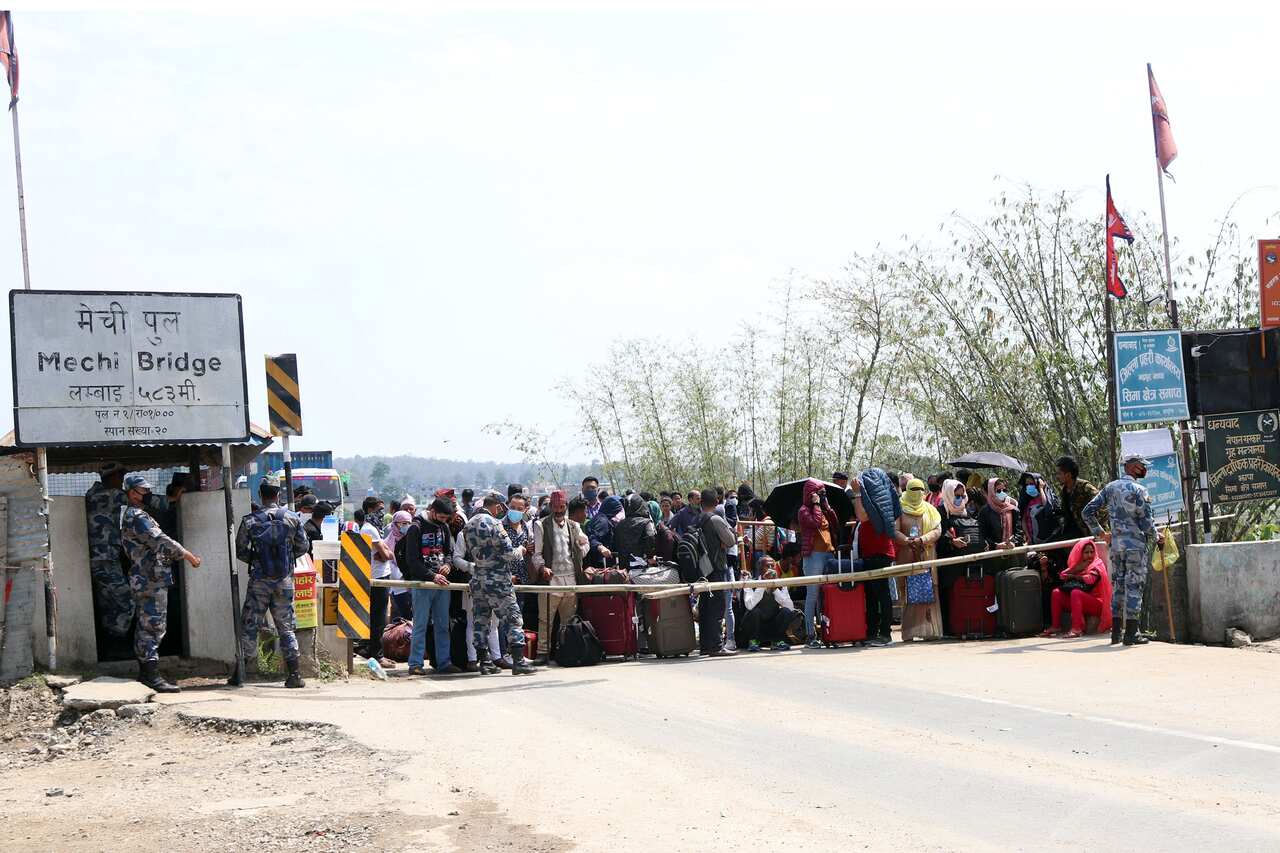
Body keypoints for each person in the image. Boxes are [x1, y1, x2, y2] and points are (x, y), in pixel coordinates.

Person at [119, 474, 202, 692]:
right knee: (152, 625)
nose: (147, 494)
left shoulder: (136, 514)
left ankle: (147, 672)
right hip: (149, 578)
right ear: (132, 493)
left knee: (148, 624)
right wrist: (188, 556)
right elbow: (161, 541)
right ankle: (151, 675)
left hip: (148, 577)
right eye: (143, 491)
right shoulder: (137, 516)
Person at [233, 476, 310, 688]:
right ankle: (294, 675)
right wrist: (286, 560)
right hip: (284, 580)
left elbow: (240, 550)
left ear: (260, 494)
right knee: (286, 627)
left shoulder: (250, 520)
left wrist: (258, 561)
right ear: (278, 494)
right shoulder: (292, 518)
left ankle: (240, 674)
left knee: (250, 625)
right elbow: (303, 546)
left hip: (259, 581)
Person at [1082, 454, 1163, 646]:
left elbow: (1087, 512)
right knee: (1134, 586)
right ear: (1133, 467)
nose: (1144, 469)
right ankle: (1132, 633)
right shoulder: (1139, 490)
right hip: (1135, 547)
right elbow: (1146, 523)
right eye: (1142, 466)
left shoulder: (1110, 488)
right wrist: (1157, 536)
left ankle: (1116, 632)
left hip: (1116, 547)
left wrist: (1101, 534)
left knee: (1118, 586)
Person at [464, 492, 535, 675]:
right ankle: (518, 661)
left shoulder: (469, 524)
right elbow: (509, 553)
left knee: (481, 620)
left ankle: (485, 662)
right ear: (497, 506)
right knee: (513, 618)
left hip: (478, 579)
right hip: (498, 580)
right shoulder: (495, 524)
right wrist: (521, 549)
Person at [399, 499, 460, 675]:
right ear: (432, 511)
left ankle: (444, 663)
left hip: (442, 585)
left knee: (442, 625)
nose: (443, 521)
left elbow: (449, 552)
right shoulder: (416, 528)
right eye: (441, 517)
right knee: (420, 625)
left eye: (446, 518)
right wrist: (432, 576)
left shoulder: (444, 527)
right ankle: (415, 664)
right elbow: (412, 560)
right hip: (423, 584)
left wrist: (447, 565)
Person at [532, 492, 591, 664]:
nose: (558, 510)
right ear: (550, 507)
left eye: (561, 507)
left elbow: (585, 543)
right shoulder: (541, 525)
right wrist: (542, 567)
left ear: (565, 507)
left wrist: (579, 554)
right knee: (545, 620)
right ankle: (543, 653)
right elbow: (536, 554)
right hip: (551, 581)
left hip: (571, 580)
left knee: (568, 621)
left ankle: (566, 651)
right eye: (555, 507)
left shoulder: (574, 526)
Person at [84, 461, 136, 655]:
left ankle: (109, 648)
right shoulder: (113, 495)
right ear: (112, 477)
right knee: (127, 599)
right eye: (120, 476)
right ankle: (118, 644)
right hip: (105, 560)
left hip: (99, 558)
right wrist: (171, 498)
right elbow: (140, 500)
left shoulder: (92, 494)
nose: (122, 480)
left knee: (108, 604)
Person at [849, 469, 898, 647]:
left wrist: (857, 493)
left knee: (881, 594)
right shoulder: (879, 499)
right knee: (870, 595)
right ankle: (871, 632)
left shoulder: (876, 501)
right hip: (871, 553)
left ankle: (885, 634)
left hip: (879, 553)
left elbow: (862, 516)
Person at [895, 478, 944, 641]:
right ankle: (908, 632)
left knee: (928, 591)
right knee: (908, 593)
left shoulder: (930, 509)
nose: (917, 493)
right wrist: (907, 540)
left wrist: (923, 540)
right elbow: (894, 531)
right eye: (913, 489)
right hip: (906, 556)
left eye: (920, 489)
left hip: (927, 554)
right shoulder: (899, 509)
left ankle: (929, 631)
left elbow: (937, 530)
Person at [797, 479, 842, 649]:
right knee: (813, 596)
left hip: (828, 554)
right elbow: (815, 523)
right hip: (813, 556)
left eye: (823, 493)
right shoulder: (803, 510)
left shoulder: (823, 509)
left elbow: (835, 525)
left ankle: (828, 633)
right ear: (810, 494)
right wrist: (816, 505)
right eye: (818, 493)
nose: (821, 496)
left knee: (827, 595)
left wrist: (827, 507)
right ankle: (810, 635)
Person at [937, 478, 984, 632]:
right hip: (947, 560)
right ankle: (948, 628)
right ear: (949, 494)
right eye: (956, 496)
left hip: (965, 560)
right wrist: (951, 541)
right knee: (947, 593)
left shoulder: (966, 511)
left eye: (962, 496)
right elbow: (937, 534)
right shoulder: (940, 512)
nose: (960, 499)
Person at [1040, 539, 1114, 639]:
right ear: (1080, 553)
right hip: (1079, 601)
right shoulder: (1079, 564)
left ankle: (1077, 629)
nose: (1090, 555)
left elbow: (1090, 580)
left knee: (1076, 593)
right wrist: (1077, 569)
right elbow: (1062, 576)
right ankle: (1056, 626)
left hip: (1097, 603)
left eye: (1092, 552)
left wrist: (1074, 576)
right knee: (1056, 592)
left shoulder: (1097, 564)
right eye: (1086, 552)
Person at [696, 487, 738, 657]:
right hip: (716, 568)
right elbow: (731, 540)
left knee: (705, 607)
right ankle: (716, 646)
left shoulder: (698, 518)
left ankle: (705, 645)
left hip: (703, 569)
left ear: (701, 502)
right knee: (717, 607)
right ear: (717, 501)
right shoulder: (715, 519)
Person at [357, 497, 398, 669]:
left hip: (381, 575)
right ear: (369, 510)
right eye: (378, 510)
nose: (382, 513)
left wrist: (386, 553)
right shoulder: (369, 529)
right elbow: (387, 554)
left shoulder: (374, 529)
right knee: (378, 618)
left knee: (377, 617)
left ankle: (372, 650)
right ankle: (377, 655)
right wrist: (385, 553)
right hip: (377, 578)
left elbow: (388, 552)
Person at [739, 559, 797, 652]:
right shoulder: (751, 583)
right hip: (754, 625)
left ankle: (777, 641)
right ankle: (753, 641)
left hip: (771, 624)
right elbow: (749, 605)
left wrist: (775, 590)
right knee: (755, 612)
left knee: (786, 612)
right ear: (760, 569)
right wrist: (763, 584)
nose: (770, 569)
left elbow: (790, 608)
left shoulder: (781, 584)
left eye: (772, 566)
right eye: (767, 566)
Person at [1055, 456, 1102, 541]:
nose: (1057, 477)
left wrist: (1095, 528)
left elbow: (1103, 507)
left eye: (1059, 473)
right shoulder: (1064, 491)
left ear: (1068, 475)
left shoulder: (1085, 488)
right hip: (1075, 535)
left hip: (1092, 536)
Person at [1017, 472, 1063, 545]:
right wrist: (1028, 537)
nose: (1029, 486)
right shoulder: (1026, 501)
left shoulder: (1047, 497)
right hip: (1034, 540)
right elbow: (1023, 520)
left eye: (1031, 484)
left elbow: (1047, 506)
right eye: (1027, 484)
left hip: (1051, 539)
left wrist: (1041, 488)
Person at [978, 477, 1023, 550]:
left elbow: (1019, 532)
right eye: (998, 491)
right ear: (991, 492)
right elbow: (982, 535)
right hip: (993, 553)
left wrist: (1014, 543)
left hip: (1013, 551)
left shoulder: (1013, 510)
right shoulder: (984, 512)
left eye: (1004, 490)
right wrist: (995, 545)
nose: (1002, 493)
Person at [614, 493, 657, 569]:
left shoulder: (620, 524)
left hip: (624, 566)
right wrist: (650, 556)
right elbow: (650, 537)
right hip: (642, 565)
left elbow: (616, 543)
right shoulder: (646, 522)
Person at [586, 494, 623, 568]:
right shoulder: (602, 521)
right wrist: (600, 547)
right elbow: (593, 538)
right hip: (600, 563)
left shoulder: (601, 517)